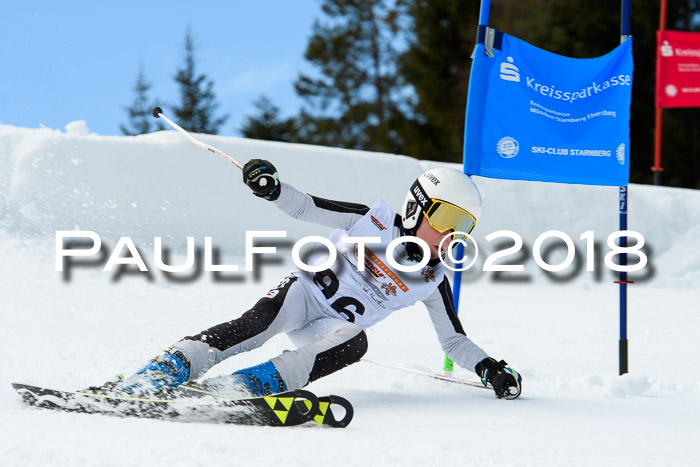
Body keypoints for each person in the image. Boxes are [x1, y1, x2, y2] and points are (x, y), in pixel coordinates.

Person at [113, 160, 522, 400]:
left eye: (464, 226)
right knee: (255, 327)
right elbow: (304, 207)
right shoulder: (369, 220)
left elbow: (452, 340)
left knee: (356, 341)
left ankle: (243, 388)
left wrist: (489, 368)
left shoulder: (433, 278)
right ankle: (166, 369)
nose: (453, 235)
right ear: (418, 207)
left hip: (330, 329)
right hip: (303, 295)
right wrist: (271, 189)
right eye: (448, 219)